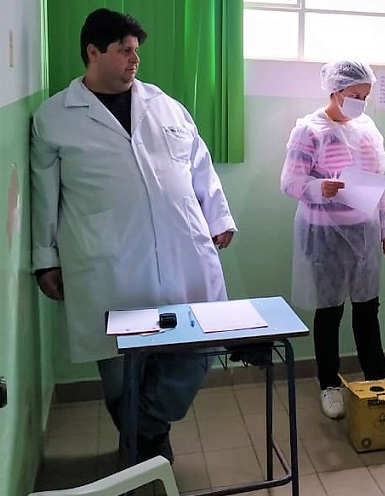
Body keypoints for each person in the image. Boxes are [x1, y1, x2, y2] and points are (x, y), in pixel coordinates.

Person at [30, 8, 237, 463]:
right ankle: (145, 456)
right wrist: (45, 257)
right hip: (109, 260)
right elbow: (44, 194)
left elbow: (198, 164)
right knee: (124, 370)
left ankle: (142, 434)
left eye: (135, 51)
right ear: (92, 51)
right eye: (123, 50)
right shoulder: (55, 117)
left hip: (183, 249)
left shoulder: (165, 105)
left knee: (196, 348)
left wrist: (218, 217)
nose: (133, 59)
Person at [280, 60, 385, 420]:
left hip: (364, 230)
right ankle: (329, 383)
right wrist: (317, 187)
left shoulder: (368, 129)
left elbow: (378, 184)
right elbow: (290, 182)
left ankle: (378, 373)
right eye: (354, 95)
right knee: (329, 311)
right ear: (335, 91)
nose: (359, 102)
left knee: (367, 306)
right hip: (324, 233)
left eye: (364, 96)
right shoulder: (309, 131)